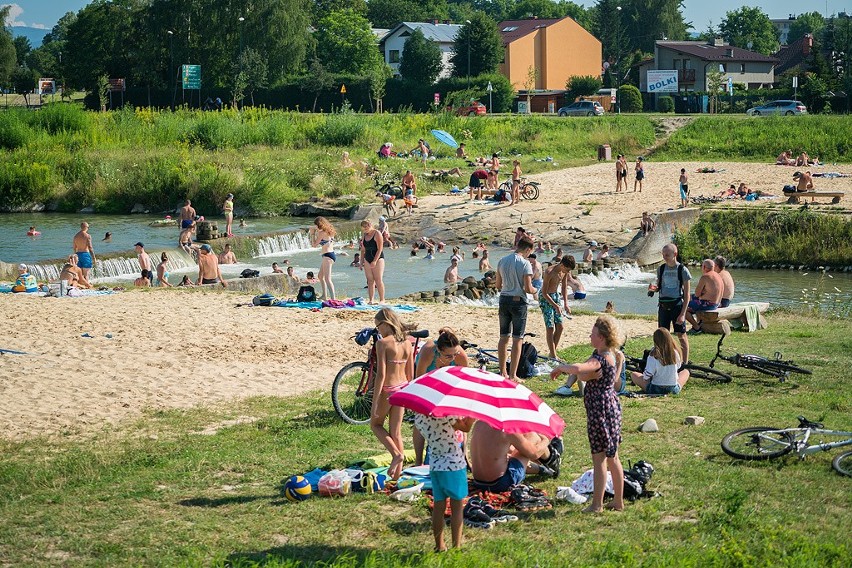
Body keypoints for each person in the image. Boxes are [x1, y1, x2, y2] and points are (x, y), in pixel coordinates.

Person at [550, 315, 625, 513]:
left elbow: (577, 370)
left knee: (600, 458)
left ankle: (597, 505)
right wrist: (584, 374)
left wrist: (560, 367)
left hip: (600, 412)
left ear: (601, 337)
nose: (590, 336)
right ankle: (618, 502)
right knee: (613, 457)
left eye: (592, 334)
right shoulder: (607, 354)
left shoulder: (600, 359)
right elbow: (583, 374)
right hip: (610, 408)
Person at [413, 328, 471, 465]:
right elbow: (419, 379)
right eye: (448, 356)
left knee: (460, 415)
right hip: (427, 381)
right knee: (420, 417)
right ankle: (418, 460)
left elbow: (465, 381)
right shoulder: (428, 352)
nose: (453, 358)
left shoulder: (460, 356)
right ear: (439, 351)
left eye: (455, 354)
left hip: (451, 382)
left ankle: (465, 455)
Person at [417, 410, 473, 552]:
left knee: (438, 506)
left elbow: (442, 430)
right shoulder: (447, 413)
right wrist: (472, 417)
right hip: (454, 465)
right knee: (457, 507)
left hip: (435, 465)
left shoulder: (419, 417)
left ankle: (439, 545)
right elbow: (465, 428)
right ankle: (457, 546)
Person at [371, 308, 414, 480]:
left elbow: (381, 374)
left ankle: (396, 454)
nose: (378, 330)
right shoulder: (407, 343)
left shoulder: (382, 343)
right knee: (396, 432)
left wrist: (374, 402)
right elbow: (411, 374)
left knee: (376, 425)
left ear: (385, 324)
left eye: (378, 326)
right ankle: (397, 475)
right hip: (403, 388)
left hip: (388, 389)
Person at [469, 421, 562, 493]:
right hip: (501, 483)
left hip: (479, 481)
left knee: (513, 449)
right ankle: (552, 458)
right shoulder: (506, 428)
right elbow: (533, 453)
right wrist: (546, 439)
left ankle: (545, 469)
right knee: (532, 436)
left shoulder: (479, 423)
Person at [496, 237, 537, 382]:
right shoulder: (525, 264)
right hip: (518, 302)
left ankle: (502, 372)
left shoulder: (502, 261)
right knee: (517, 338)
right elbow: (527, 288)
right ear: (527, 249)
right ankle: (513, 374)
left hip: (503, 299)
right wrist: (535, 290)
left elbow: (498, 285)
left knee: (503, 337)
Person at [649, 243, 691, 364]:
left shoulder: (682, 270)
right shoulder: (661, 269)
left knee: (681, 335)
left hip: (677, 305)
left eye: (667, 255)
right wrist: (653, 289)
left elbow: (687, 294)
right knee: (662, 335)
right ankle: (664, 361)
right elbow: (659, 286)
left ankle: (685, 363)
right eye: (663, 255)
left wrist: (683, 314)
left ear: (675, 254)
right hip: (663, 306)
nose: (664, 257)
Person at [631, 328, 691, 395]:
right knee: (686, 372)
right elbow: (678, 366)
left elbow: (647, 375)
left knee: (634, 374)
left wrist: (645, 379)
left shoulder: (653, 354)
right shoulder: (675, 352)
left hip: (655, 388)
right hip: (672, 388)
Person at [539, 256, 576, 358]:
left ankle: (552, 353)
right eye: (567, 269)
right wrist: (555, 306)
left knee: (560, 327)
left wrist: (566, 304)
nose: (568, 272)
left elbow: (564, 287)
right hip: (546, 298)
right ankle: (553, 355)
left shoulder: (565, 272)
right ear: (562, 265)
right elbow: (544, 292)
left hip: (555, 296)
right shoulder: (549, 272)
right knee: (550, 327)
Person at [685, 259, 724, 333]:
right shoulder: (718, 276)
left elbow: (697, 294)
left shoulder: (705, 277)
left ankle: (696, 327)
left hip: (708, 305)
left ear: (704, 267)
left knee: (682, 308)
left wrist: (701, 294)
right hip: (716, 303)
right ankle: (699, 323)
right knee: (690, 297)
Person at [360, 219, 386, 304]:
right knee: (370, 280)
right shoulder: (364, 235)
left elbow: (380, 249)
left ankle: (382, 299)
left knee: (378, 279)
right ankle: (371, 300)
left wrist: (374, 261)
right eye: (363, 227)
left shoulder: (377, 233)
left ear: (370, 225)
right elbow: (363, 250)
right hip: (367, 258)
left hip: (378, 258)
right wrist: (361, 262)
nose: (365, 228)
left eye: (366, 226)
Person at [311, 216, 337, 300]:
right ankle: (324, 295)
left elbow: (314, 245)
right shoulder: (329, 231)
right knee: (320, 276)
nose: (315, 227)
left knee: (327, 279)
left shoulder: (322, 233)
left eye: (315, 225)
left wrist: (312, 234)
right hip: (330, 254)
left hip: (327, 255)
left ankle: (333, 299)